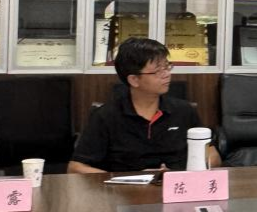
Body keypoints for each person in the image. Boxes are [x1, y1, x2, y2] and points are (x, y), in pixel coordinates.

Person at [70, 37, 220, 173]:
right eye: (158, 70)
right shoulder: (106, 116)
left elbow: (213, 155)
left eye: (167, 66)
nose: (167, 74)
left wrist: (186, 173)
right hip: (125, 191)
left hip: (177, 187)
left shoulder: (184, 111)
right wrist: (123, 179)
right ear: (134, 80)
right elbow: (76, 167)